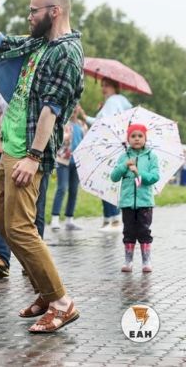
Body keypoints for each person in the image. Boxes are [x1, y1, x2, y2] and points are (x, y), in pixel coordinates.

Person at [0, 0, 83, 333]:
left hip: (28, 152)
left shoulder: (66, 53)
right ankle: (44, 292)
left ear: (54, 11)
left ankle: (62, 303)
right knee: (8, 229)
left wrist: (34, 157)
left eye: (34, 11)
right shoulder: (39, 43)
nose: (29, 16)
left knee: (22, 229)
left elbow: (52, 109)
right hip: (11, 147)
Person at [0, 73, 51, 278]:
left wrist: (36, 154)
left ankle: (32, 263)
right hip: (6, 153)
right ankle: (1, 257)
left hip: (34, 154)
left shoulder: (40, 77)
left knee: (35, 209)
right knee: (2, 207)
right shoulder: (0, 80)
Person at [78, 78, 132, 229]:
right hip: (115, 147)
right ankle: (109, 219)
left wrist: (86, 117)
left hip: (110, 147)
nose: (103, 88)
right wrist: (99, 111)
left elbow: (103, 123)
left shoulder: (113, 101)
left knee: (106, 182)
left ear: (115, 86)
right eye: (102, 85)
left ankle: (114, 219)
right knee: (106, 181)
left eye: (107, 85)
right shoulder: (119, 101)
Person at [110, 124, 159, 273]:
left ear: (145, 138)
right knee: (129, 231)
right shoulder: (124, 157)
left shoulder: (151, 156)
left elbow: (154, 177)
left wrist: (138, 172)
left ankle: (146, 261)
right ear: (128, 139)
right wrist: (124, 166)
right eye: (133, 136)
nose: (137, 139)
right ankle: (128, 260)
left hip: (145, 202)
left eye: (140, 136)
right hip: (127, 202)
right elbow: (114, 177)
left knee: (144, 231)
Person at [49, 105, 87, 231]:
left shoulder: (82, 125)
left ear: (79, 110)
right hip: (63, 160)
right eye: (72, 108)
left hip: (77, 162)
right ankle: (55, 218)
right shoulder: (63, 123)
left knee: (74, 190)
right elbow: (57, 138)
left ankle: (69, 220)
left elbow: (86, 141)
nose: (74, 110)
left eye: (76, 108)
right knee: (62, 187)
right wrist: (64, 137)